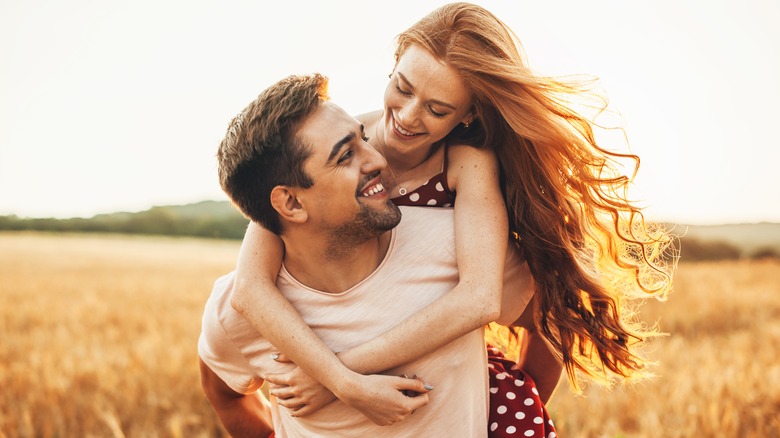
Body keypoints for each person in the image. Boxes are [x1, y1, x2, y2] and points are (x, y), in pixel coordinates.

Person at [229, 1, 674, 434]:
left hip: (460, 390)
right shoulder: (337, 149)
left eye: (437, 109)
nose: (406, 116)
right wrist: (341, 382)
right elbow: (249, 286)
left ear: (470, 114)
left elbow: (481, 299)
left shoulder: (467, 164)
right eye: (402, 87)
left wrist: (338, 376)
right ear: (395, 61)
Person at [199, 73, 544, 437]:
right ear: (290, 202)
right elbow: (224, 392)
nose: (379, 160)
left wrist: (517, 413)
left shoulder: (457, 246)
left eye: (364, 137)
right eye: (346, 155)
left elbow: (547, 323)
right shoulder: (237, 307)